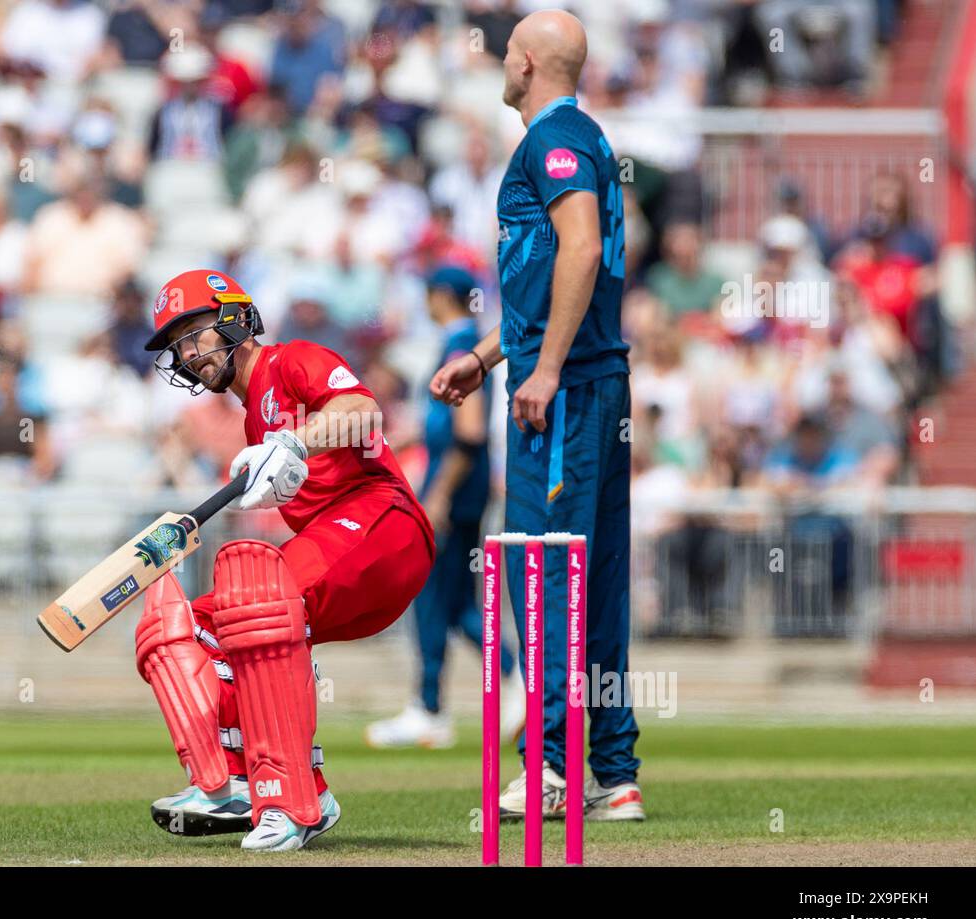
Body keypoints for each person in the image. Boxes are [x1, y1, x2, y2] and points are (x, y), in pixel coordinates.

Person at [430, 11, 643, 824]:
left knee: (544, 573)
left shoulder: (552, 141)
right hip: (594, 385)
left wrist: (543, 369)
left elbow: (581, 248)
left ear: (523, 62)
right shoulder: (584, 137)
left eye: (506, 52)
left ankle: (550, 767)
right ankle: (614, 772)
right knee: (601, 578)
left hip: (569, 392)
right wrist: (488, 357)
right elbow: (557, 268)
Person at [136, 268, 434, 851]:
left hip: (383, 524)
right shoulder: (251, 415)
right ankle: (238, 783)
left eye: (194, 334)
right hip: (343, 547)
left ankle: (287, 798)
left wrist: (297, 440)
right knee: (195, 625)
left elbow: (362, 410)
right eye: (178, 346)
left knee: (259, 600)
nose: (188, 354)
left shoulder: (293, 359)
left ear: (234, 319)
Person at [367, 266, 523, 750]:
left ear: (440, 296)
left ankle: (432, 705)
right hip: (460, 486)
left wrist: (439, 494)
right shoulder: (462, 342)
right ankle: (510, 678)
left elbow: (469, 432)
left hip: (452, 488)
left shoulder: (460, 346)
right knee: (454, 602)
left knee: (432, 594)